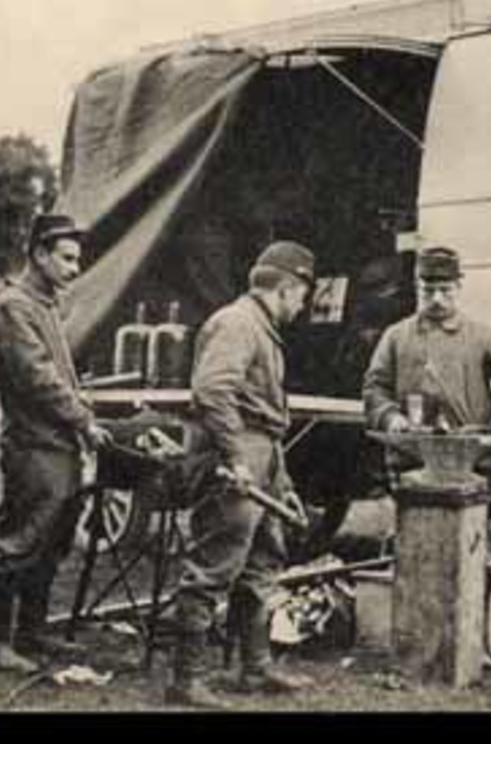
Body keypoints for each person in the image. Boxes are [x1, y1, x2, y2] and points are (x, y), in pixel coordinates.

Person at [167, 240, 318, 708]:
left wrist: (283, 483)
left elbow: (269, 419)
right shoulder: (236, 323)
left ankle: (254, 669)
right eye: (302, 296)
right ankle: (185, 680)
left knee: (262, 562)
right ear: (287, 288)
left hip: (261, 453)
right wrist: (235, 457)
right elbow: (212, 392)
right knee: (214, 564)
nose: (302, 306)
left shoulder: (260, 327)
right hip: (234, 455)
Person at [0, 212, 113, 674]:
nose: (75, 269)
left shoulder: (45, 303)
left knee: (53, 541)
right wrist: (84, 419)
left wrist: (80, 406)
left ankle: (31, 633)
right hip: (34, 447)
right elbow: (37, 379)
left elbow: (61, 375)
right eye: (67, 258)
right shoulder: (14, 306)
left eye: (78, 259)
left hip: (59, 446)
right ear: (38, 254)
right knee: (18, 539)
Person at [363, 246, 491, 435]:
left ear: (458, 288)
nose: (437, 299)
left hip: (469, 453)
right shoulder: (395, 336)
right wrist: (390, 418)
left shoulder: (483, 337)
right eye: (428, 291)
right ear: (417, 288)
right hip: (411, 454)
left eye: (445, 290)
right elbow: (375, 388)